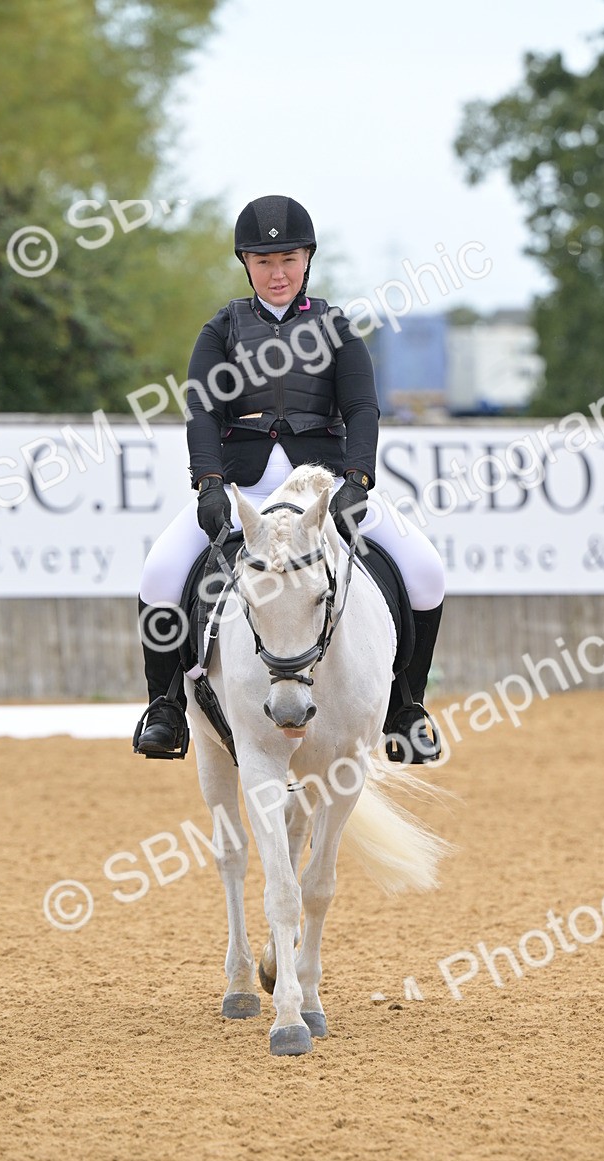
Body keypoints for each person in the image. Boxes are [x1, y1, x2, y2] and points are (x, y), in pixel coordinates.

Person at [135, 194, 446, 763]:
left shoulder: (337, 328)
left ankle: (406, 709)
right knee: (159, 575)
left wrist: (356, 479)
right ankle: (166, 706)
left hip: (321, 487)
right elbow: (202, 410)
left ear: (307, 260)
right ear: (246, 263)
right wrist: (208, 483)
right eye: (264, 261)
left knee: (425, 572)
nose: (277, 273)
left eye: (288, 259)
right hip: (244, 487)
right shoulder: (221, 329)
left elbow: (362, 408)